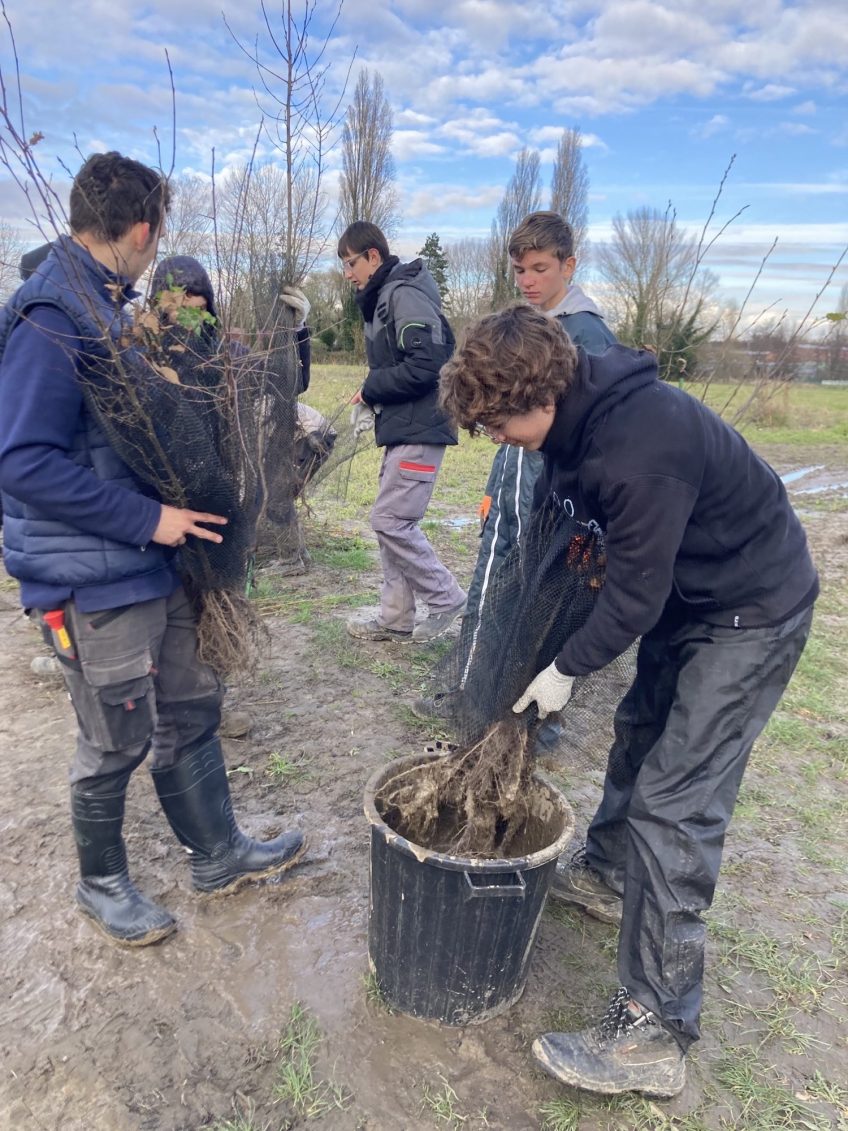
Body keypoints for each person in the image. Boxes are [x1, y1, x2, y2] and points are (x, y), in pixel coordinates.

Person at [439, 304, 817, 1099]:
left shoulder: (643, 443)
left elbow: (634, 595)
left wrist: (565, 668)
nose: (496, 438)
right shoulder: (572, 426)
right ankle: (609, 874)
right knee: (637, 734)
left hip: (751, 607)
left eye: (498, 423)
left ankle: (655, 1028)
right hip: (690, 595)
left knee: (676, 804)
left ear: (537, 396)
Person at [0, 153, 305, 949]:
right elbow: (23, 461)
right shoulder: (53, 318)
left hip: (145, 565)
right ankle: (100, 882)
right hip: (91, 578)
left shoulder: (107, 306)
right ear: (145, 229)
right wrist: (150, 519)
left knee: (191, 702)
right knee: (115, 735)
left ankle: (219, 853)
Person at [414, 210, 616, 723]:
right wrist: (494, 491)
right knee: (489, 587)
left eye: (540, 268)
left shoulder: (586, 333)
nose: (527, 281)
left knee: (534, 601)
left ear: (570, 265)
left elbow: (588, 431)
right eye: (519, 270)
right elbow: (507, 422)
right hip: (510, 495)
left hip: (548, 503)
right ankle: (472, 691)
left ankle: (523, 713)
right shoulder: (526, 328)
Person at [338, 220, 466, 643]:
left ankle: (448, 599)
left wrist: (373, 386)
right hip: (403, 427)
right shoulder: (383, 298)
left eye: (351, 262)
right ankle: (395, 619)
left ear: (373, 256)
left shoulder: (403, 294)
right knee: (391, 521)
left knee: (390, 520)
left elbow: (428, 365)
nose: (348, 273)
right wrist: (372, 396)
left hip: (421, 428)